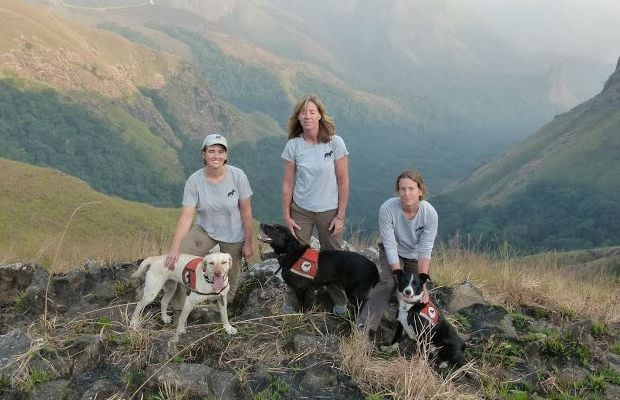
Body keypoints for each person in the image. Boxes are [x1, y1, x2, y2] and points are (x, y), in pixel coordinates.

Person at [165, 133, 254, 307]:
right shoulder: (194, 181)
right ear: (203, 154)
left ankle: (223, 310)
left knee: (230, 276)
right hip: (205, 229)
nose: (216, 156)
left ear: (226, 155)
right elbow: (186, 217)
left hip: (234, 234)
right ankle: (179, 309)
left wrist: (249, 243)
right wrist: (174, 248)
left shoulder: (238, 176)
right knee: (179, 263)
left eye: (221, 152)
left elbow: (246, 212)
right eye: (211, 151)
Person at [281, 95, 350, 316]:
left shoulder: (335, 142)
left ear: (320, 114)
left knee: (333, 256)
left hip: (329, 210)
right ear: (298, 117)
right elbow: (288, 182)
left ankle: (339, 300)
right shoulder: (293, 145)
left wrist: (340, 215)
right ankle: (295, 301)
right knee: (296, 258)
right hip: (301, 210)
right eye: (303, 112)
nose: (308, 115)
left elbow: (343, 180)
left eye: (312, 111)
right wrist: (286, 214)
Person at [358, 170, 438, 339]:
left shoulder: (429, 214)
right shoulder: (388, 208)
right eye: (402, 189)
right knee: (388, 283)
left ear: (420, 191)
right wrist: (396, 275)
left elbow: (425, 248)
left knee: (419, 292)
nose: (407, 193)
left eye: (411, 188)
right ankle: (364, 328)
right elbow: (390, 244)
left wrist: (423, 281)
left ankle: (422, 334)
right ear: (397, 191)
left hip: (415, 255)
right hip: (392, 251)